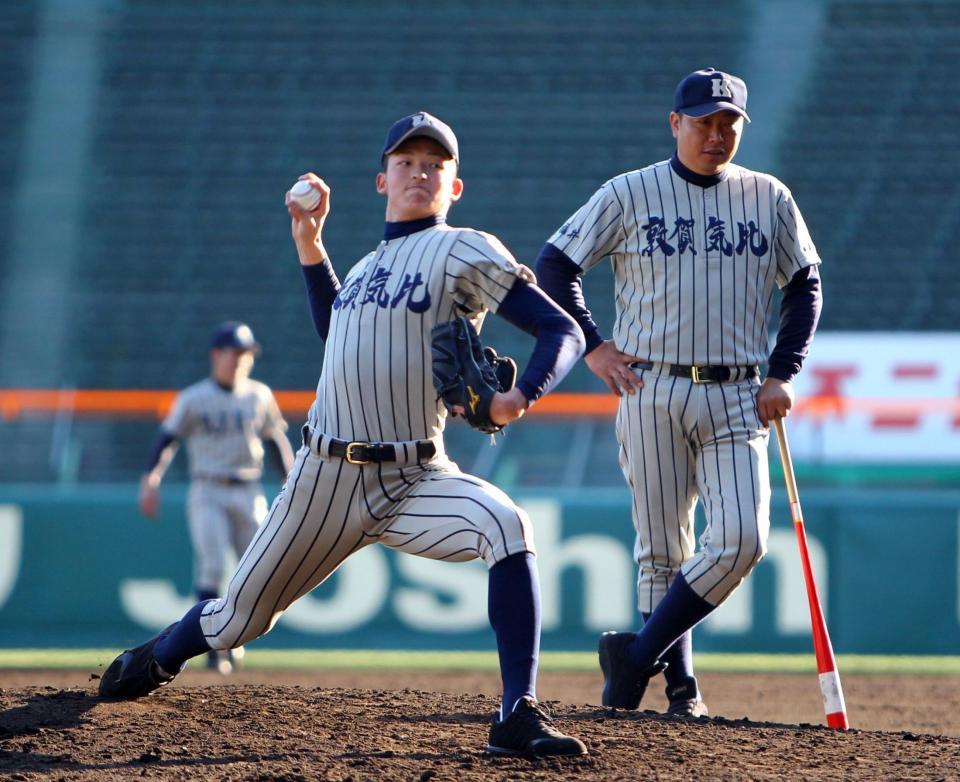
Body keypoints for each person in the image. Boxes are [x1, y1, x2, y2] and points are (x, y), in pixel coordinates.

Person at [100, 111, 588, 758]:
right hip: (323, 482)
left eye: (435, 164)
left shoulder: (464, 247)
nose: (420, 172)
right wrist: (310, 242)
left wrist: (517, 397)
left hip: (416, 478)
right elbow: (338, 329)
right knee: (235, 620)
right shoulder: (360, 270)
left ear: (455, 186)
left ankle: (516, 713)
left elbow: (565, 331)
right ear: (380, 180)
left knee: (507, 527)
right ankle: (160, 654)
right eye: (406, 162)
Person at [535, 68, 823, 717]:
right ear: (676, 124)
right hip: (651, 383)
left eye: (728, 124)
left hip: (738, 393)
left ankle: (635, 657)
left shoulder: (768, 196)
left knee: (742, 540)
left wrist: (784, 370)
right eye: (703, 122)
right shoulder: (628, 193)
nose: (716, 134)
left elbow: (806, 282)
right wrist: (593, 344)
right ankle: (682, 691)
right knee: (661, 547)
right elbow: (555, 264)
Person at [138, 321, 294, 674]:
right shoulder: (194, 397)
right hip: (207, 489)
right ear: (216, 355)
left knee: (255, 567)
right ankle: (211, 649)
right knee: (212, 565)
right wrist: (151, 477)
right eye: (234, 353)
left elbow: (274, 442)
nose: (240, 360)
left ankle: (232, 640)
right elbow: (167, 439)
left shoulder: (259, 394)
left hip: (248, 488)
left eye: (245, 354)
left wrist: (290, 480)